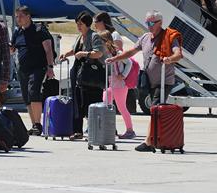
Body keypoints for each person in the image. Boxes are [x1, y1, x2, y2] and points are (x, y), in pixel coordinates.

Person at [110, 10, 183, 152]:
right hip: (149, 80)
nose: (148, 25)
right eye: (147, 22)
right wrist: (115, 58)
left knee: (155, 109)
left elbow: (178, 54)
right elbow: (132, 51)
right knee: (154, 110)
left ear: (160, 23)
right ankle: (157, 138)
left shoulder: (169, 37)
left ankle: (149, 141)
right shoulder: (145, 38)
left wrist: (170, 59)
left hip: (164, 81)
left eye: (151, 23)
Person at [58, 11, 105, 140]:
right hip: (78, 72)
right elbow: (75, 50)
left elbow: (99, 53)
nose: (78, 26)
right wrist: (66, 54)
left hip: (90, 73)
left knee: (89, 100)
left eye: (81, 24)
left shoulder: (94, 36)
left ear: (87, 24)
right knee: (76, 101)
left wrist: (84, 54)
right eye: (77, 24)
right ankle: (77, 130)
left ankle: (93, 129)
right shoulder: (80, 37)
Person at [10, 5, 55, 136]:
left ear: (28, 16)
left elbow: (48, 50)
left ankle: (38, 124)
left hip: (38, 67)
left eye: (21, 16)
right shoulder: (18, 32)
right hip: (22, 69)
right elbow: (13, 49)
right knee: (26, 97)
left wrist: (50, 67)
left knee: (33, 92)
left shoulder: (39, 30)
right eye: (17, 16)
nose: (18, 19)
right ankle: (34, 124)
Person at [99, 30, 136, 139]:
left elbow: (129, 62)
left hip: (119, 85)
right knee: (105, 105)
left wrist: (124, 75)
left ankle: (130, 130)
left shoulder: (117, 53)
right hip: (108, 84)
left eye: (100, 41)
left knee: (122, 107)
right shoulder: (103, 53)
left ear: (105, 41)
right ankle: (108, 129)